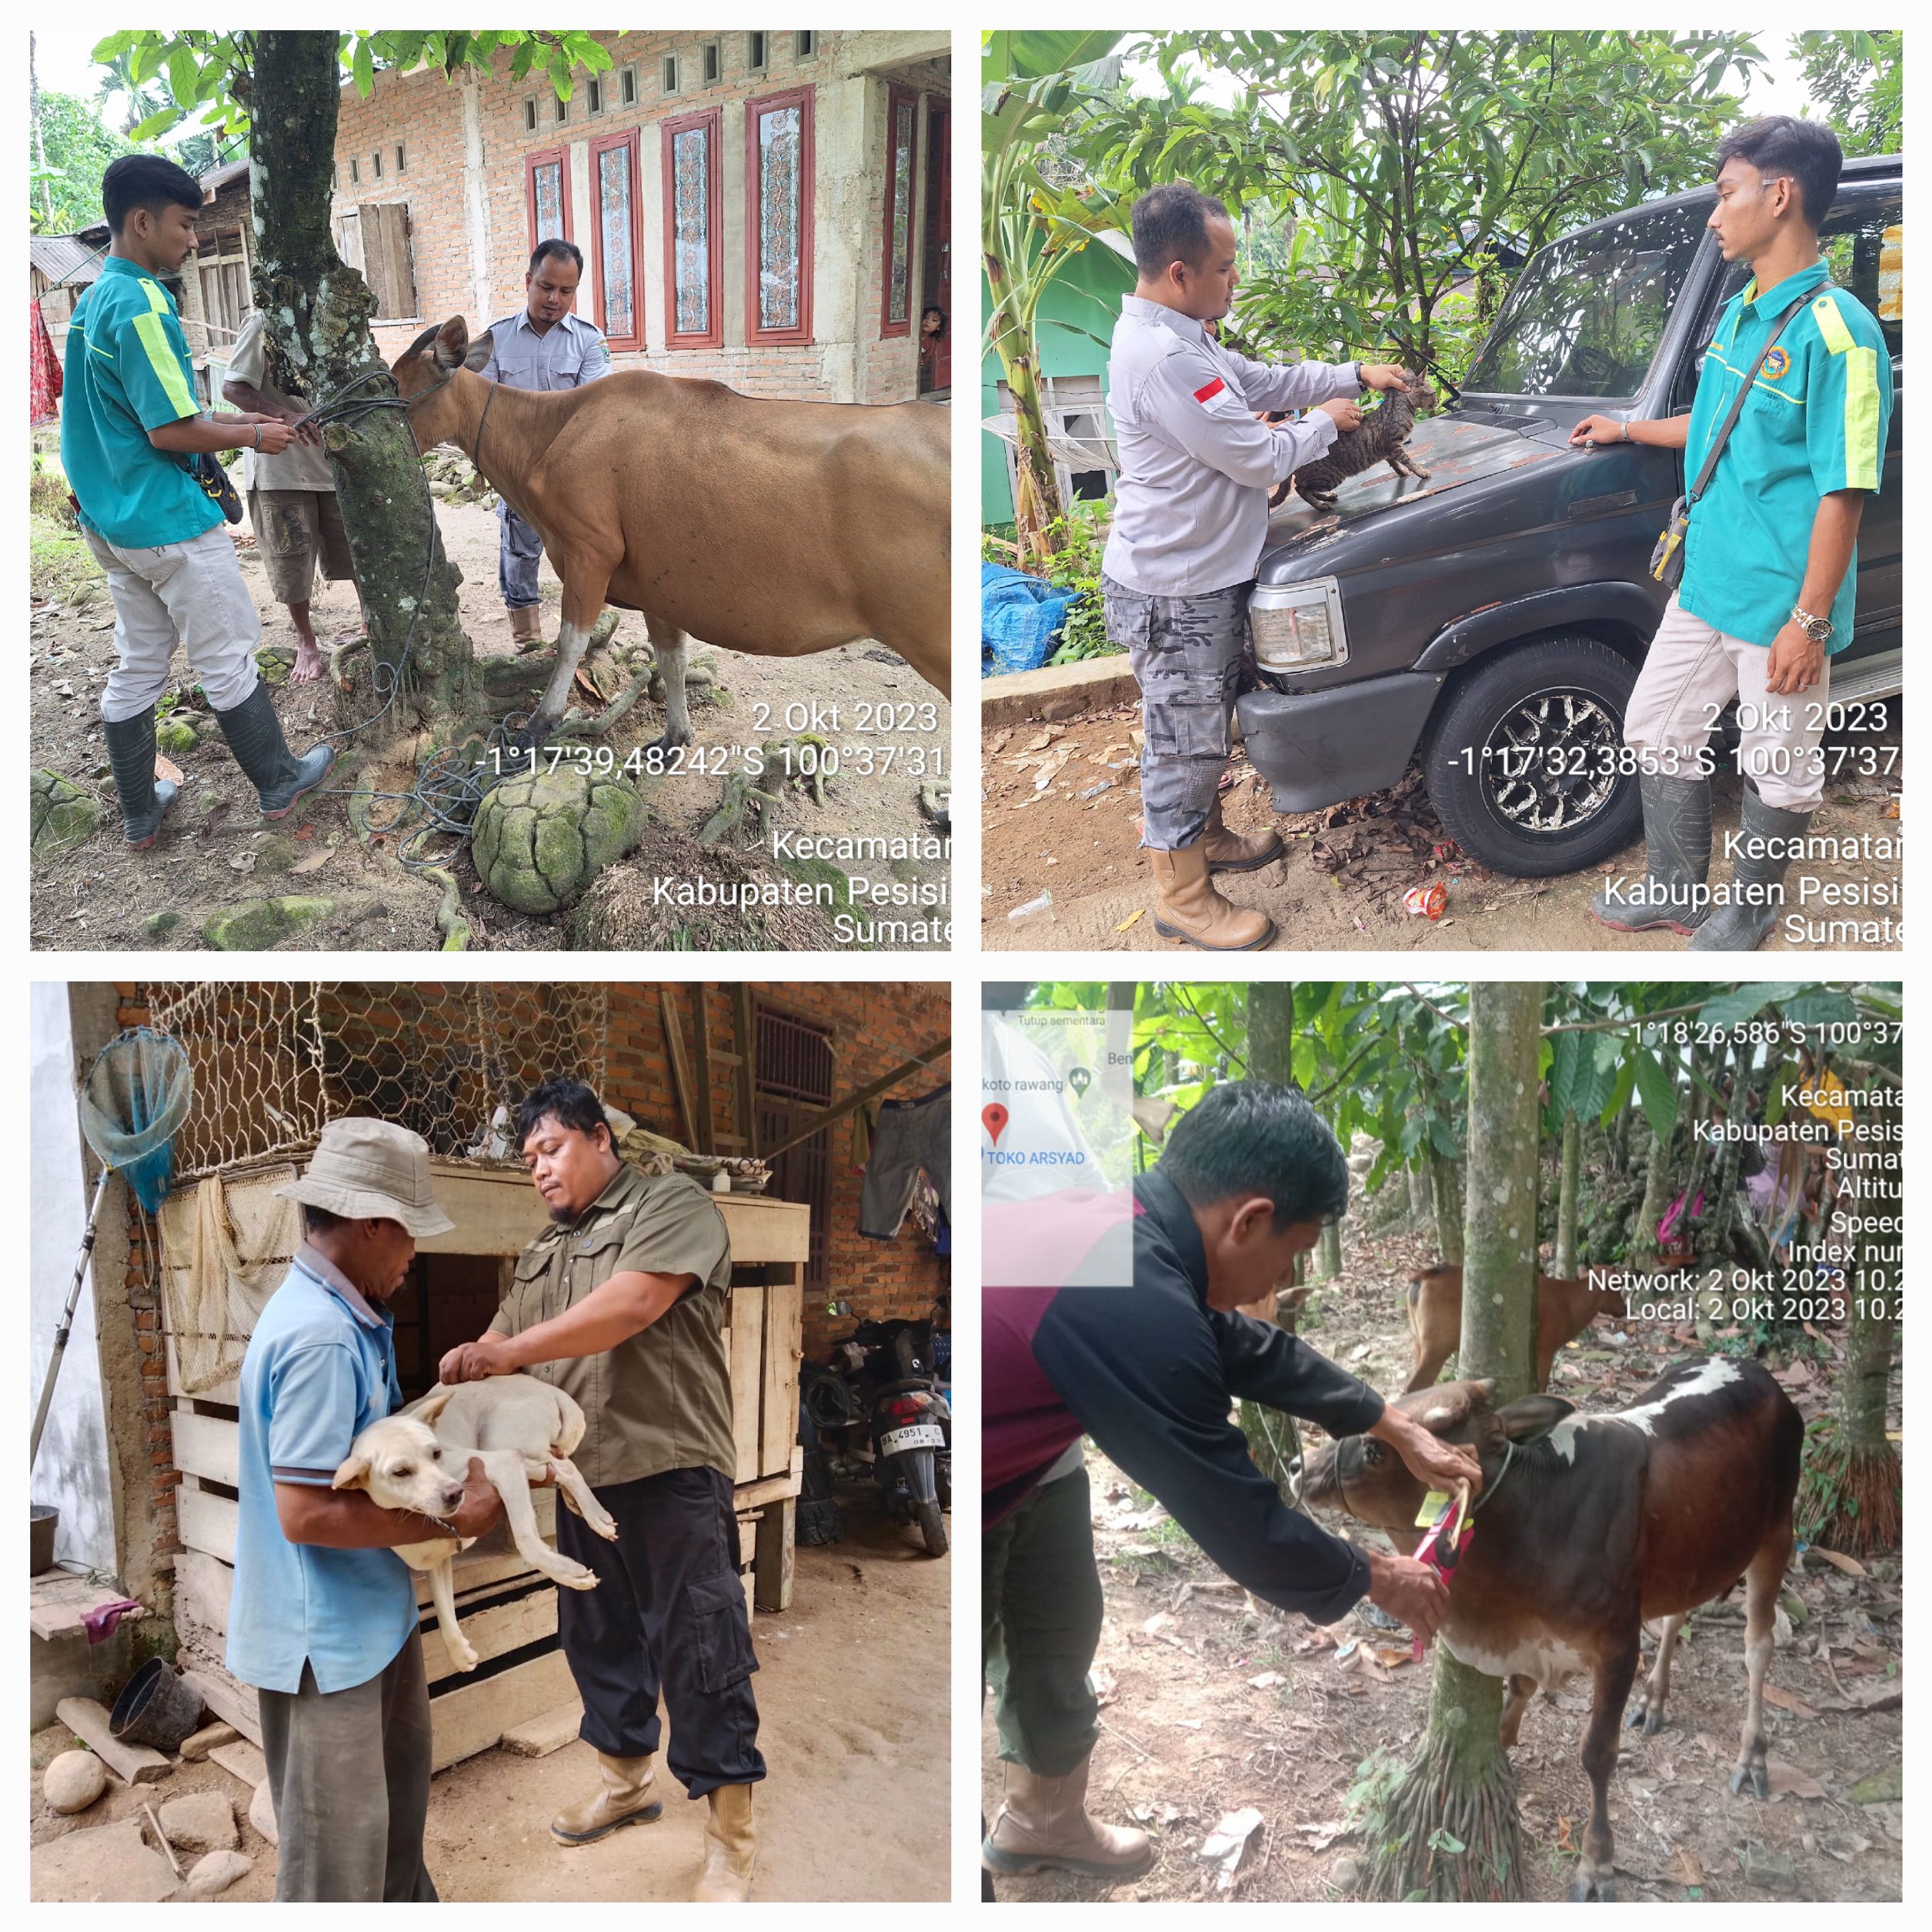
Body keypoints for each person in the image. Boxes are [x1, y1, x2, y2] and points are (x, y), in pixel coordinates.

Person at [981, 1082, 1481, 1880]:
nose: (1275, 1282)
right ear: (1248, 1219)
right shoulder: (1131, 1300)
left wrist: (1391, 1421)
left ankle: (1043, 1821)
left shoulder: (1129, 1232)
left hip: (1025, 1464)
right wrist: (1380, 1576)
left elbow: (1238, 1343)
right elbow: (1237, 1519)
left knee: (1058, 1629)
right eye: (1290, 1255)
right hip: (968, 1476)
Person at [437, 1078, 763, 1901]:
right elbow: (502, 1334)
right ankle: (627, 1786)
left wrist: (505, 1357)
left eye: (551, 1149)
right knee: (598, 1641)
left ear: (599, 1138)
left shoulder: (670, 1205)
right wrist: (470, 1359)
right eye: (528, 1160)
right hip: (582, 1483)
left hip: (671, 1469)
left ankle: (731, 1836)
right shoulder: (544, 1250)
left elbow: (634, 1303)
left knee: (700, 1646)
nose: (539, 1170)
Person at [1574, 117, 1894, 951]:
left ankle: (1748, 912)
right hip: (1707, 579)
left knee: (1778, 765)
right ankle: (1677, 892)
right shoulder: (1745, 310)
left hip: (1781, 602)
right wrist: (1629, 430)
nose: (1716, 216)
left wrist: (1812, 622)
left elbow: (1846, 488)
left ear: (1780, 195)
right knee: (1656, 724)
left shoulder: (1841, 333)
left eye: (1727, 195)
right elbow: (1715, 422)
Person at [1102, 182, 1415, 951]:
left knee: (1202, 726)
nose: (1234, 279)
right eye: (1227, 268)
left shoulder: (1188, 337)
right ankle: (1181, 896)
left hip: (1198, 572)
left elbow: (1262, 382)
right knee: (1182, 738)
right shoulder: (1162, 358)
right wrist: (1324, 424)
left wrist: (1352, 373)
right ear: (1181, 273)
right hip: (1175, 586)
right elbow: (1254, 456)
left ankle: (1202, 839)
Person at [229, 1120, 504, 1902]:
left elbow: (361, 1467)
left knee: (389, 1836)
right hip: (325, 1645)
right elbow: (308, 1515)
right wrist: (456, 1519)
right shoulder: (319, 1337)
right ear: (373, 1223)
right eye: (411, 1233)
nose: (415, 1254)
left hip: (368, 1622)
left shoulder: (346, 1318)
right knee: (335, 1868)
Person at [57, 154, 335, 849]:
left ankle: (139, 811)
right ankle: (278, 780)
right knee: (227, 654)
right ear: (142, 221)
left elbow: (114, 415)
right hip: (167, 519)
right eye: (184, 225)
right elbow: (169, 429)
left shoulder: (91, 302)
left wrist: (235, 425)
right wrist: (254, 433)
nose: (192, 239)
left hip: (110, 521)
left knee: (140, 661)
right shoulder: (144, 303)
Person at [478, 241, 610, 647]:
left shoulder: (589, 341)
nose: (554, 299)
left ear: (575, 292)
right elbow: (483, 411)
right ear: (528, 282)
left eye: (566, 292)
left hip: (574, 476)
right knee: (519, 553)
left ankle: (586, 638)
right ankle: (528, 643)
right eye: (545, 287)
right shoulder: (496, 339)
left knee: (585, 553)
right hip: (517, 473)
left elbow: (596, 411)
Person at [223, 307, 364, 683]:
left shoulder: (341, 318)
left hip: (337, 462)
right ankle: (306, 642)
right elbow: (233, 387)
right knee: (292, 565)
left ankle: (371, 631)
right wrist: (283, 416)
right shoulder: (263, 322)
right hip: (280, 467)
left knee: (360, 552)